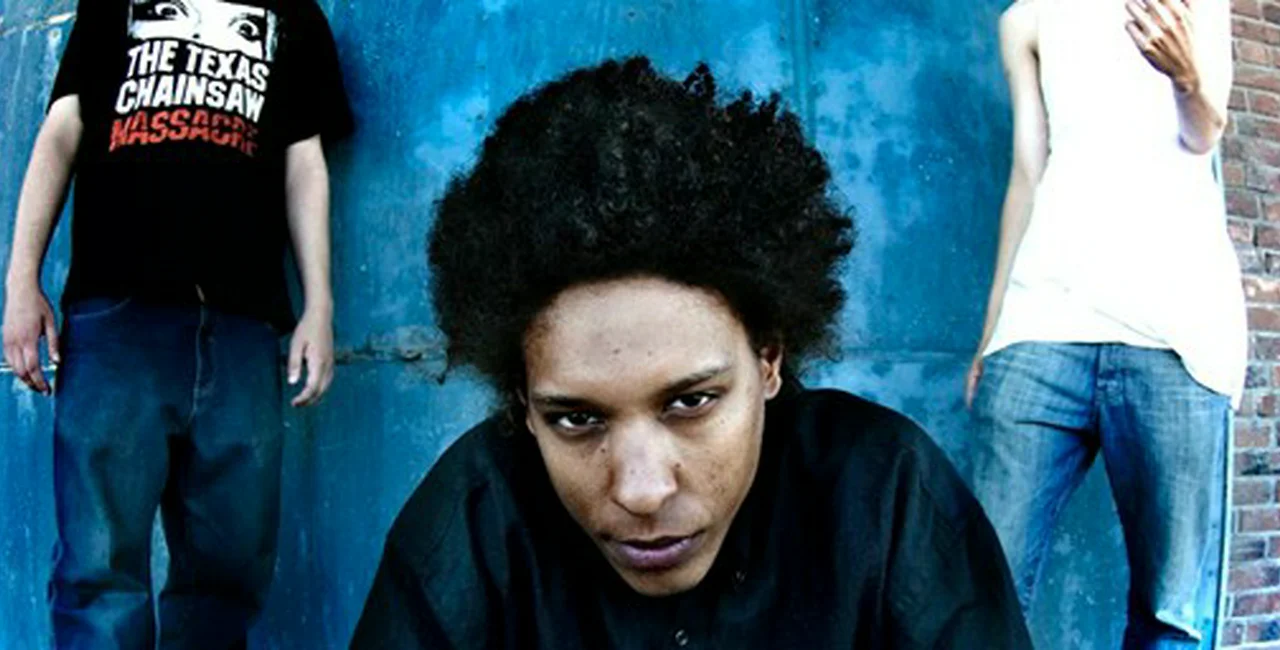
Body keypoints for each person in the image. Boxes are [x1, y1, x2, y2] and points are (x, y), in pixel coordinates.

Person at [349, 57, 1031, 649]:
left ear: (769, 360)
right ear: (522, 403)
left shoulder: (886, 496)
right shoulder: (474, 520)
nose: (641, 490)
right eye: (576, 419)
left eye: (691, 401)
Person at [1, 0, 353, 647]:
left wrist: (320, 305)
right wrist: (21, 281)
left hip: (243, 327)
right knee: (98, 571)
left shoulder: (296, 17)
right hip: (118, 321)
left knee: (228, 572)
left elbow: (304, 163)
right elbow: (61, 132)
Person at [965, 0, 1243, 646]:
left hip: (1176, 329)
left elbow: (1204, 133)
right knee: (981, 597)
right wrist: (992, 328)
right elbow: (1027, 174)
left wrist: (1186, 77)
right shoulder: (1025, 21)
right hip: (1042, 318)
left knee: (1170, 616)